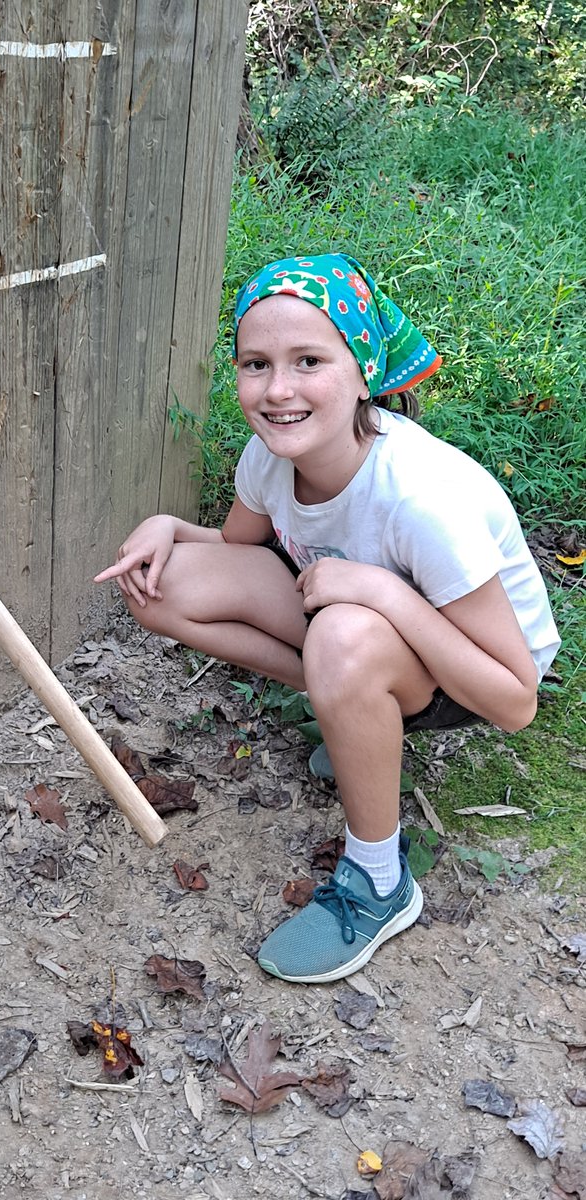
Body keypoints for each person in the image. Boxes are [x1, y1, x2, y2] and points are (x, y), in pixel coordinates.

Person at [94, 253, 560, 985]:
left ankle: (379, 879)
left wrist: (383, 594)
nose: (278, 390)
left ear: (363, 371)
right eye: (256, 365)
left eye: (308, 361)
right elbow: (236, 551)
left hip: (474, 672)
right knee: (164, 584)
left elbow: (516, 699)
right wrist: (167, 528)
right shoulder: (270, 457)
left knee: (345, 634)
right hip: (365, 631)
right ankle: (353, 710)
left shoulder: (422, 501)